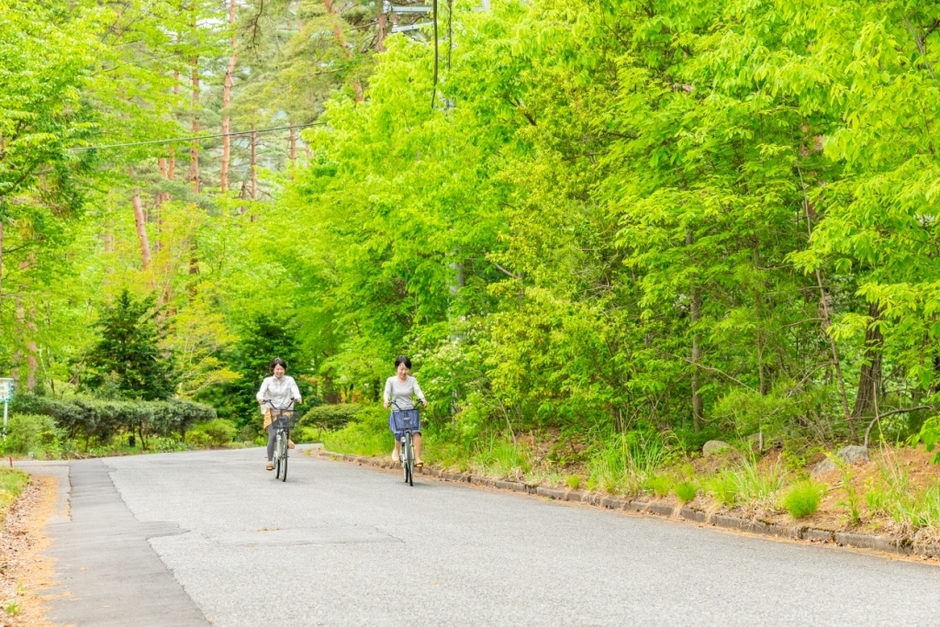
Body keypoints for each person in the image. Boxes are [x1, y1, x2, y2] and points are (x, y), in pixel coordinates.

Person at [257, 358, 302, 471]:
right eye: (277, 369)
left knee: (284, 421)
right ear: (273, 369)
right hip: (271, 408)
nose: (279, 371)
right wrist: (260, 398)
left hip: (285, 407)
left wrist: (298, 397)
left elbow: (295, 390)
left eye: (282, 369)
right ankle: (270, 461)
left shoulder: (289, 380)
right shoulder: (267, 381)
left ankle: (286, 438)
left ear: (285, 370)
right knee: (272, 436)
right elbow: (261, 392)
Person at [383, 355, 428, 467]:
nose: (404, 372)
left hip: (410, 410)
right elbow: (387, 392)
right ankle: (396, 450)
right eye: (401, 369)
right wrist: (386, 401)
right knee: (399, 432)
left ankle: (417, 458)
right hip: (397, 410)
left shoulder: (412, 380)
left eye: (406, 369)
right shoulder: (391, 380)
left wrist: (423, 399)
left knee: (416, 432)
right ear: (397, 368)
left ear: (409, 369)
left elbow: (418, 391)